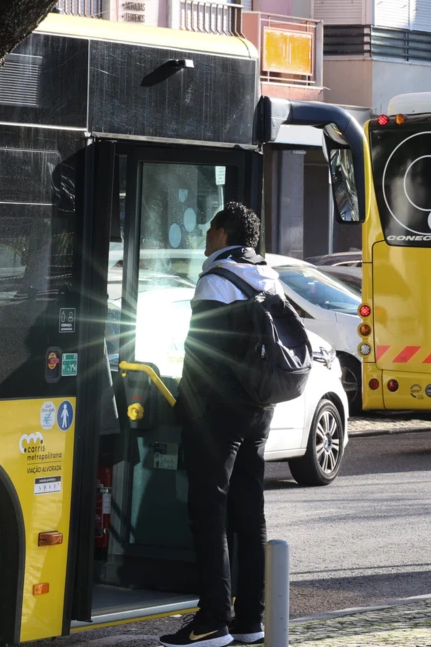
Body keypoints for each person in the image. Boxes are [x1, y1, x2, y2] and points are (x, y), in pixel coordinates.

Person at [162, 202, 281, 647]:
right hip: (259, 407)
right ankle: (251, 619)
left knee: (208, 511)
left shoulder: (216, 279)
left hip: (219, 410)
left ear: (221, 233)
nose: (205, 238)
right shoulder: (266, 274)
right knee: (250, 511)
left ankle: (212, 620)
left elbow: (202, 352)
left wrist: (183, 404)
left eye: (209, 230)